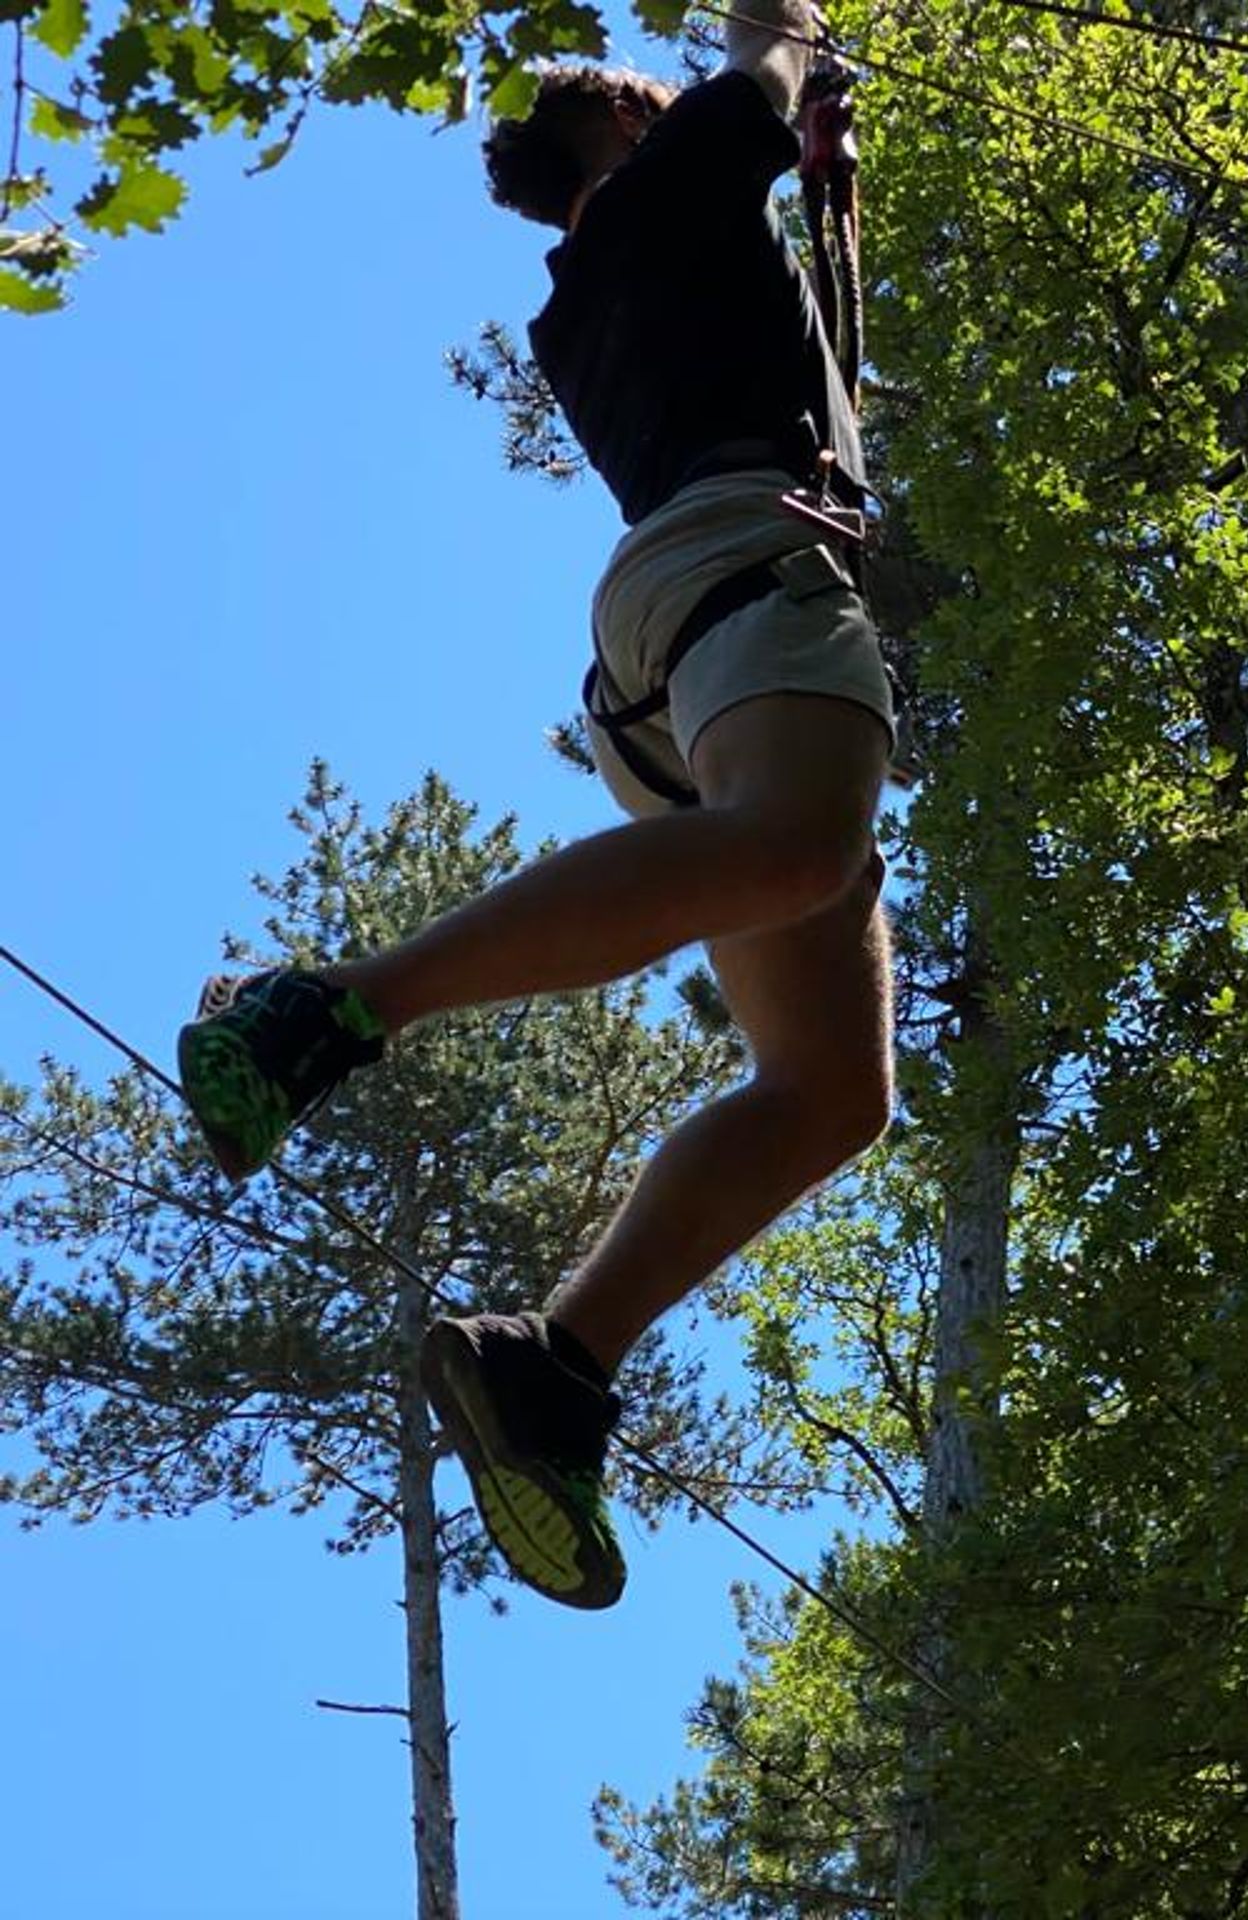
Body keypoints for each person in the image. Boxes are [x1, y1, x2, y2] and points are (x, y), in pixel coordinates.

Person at [174, 0, 895, 1610]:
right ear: (634, 130)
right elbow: (763, 55)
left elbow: (791, 305)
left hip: (671, 643)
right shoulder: (671, 179)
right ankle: (329, 1009)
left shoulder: (593, 297)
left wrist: (817, 163)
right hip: (752, 580)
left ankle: (556, 1367)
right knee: (801, 849)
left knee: (831, 1088)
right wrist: (787, 43)